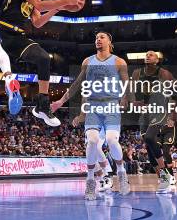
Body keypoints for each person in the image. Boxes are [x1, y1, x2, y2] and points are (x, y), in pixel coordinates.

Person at [52, 32, 131, 200]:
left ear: (110, 41)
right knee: (93, 141)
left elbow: (127, 85)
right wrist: (61, 101)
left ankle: (122, 173)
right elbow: (76, 85)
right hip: (93, 106)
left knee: (111, 140)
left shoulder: (119, 62)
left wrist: (125, 98)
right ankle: (90, 180)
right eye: (96, 37)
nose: (98, 39)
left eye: (102, 37)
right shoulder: (88, 62)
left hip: (111, 104)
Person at [131, 50, 176, 193]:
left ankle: (165, 174)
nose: (148, 56)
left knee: (150, 137)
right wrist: (133, 102)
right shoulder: (137, 73)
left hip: (159, 110)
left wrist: (171, 115)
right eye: (146, 54)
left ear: (157, 60)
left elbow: (172, 96)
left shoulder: (164, 74)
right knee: (149, 146)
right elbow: (129, 91)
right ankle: (162, 179)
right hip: (145, 112)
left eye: (151, 55)